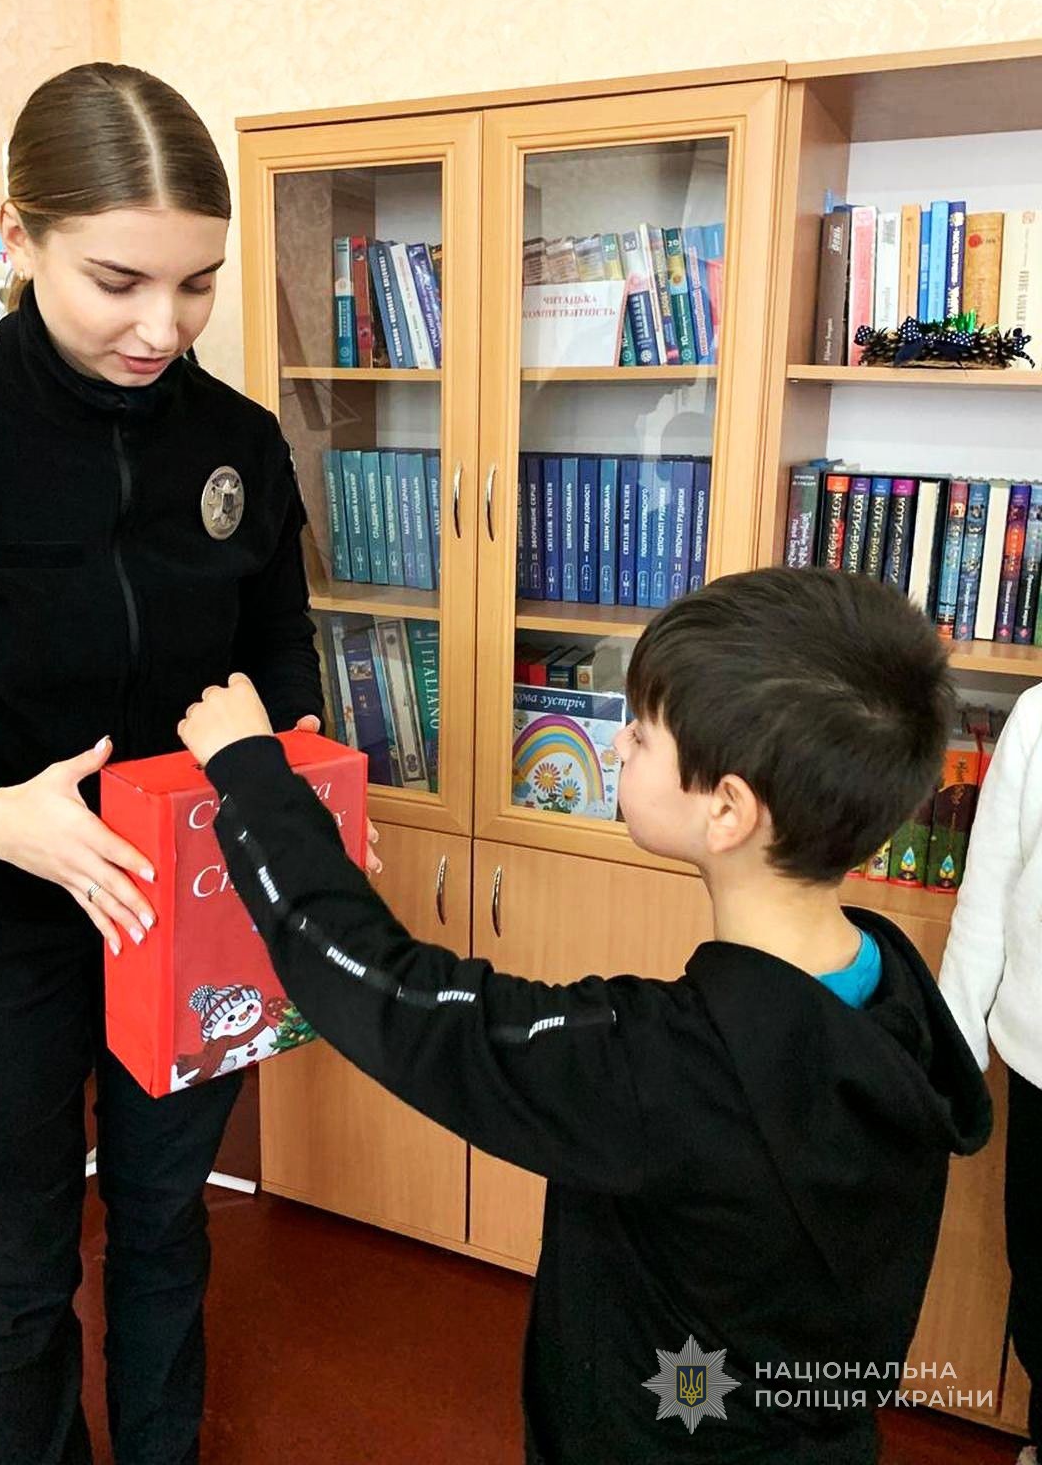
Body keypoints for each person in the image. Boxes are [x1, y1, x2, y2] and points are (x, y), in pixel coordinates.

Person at [176, 566, 992, 1465]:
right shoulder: (894, 992)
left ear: (728, 809)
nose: (620, 744)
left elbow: (401, 1003)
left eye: (641, 732)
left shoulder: (664, 1069)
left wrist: (250, 777)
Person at [0, 62, 339, 1465]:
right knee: (19, 1251)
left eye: (197, 285)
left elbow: (281, 656)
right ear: (19, 236)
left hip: (190, 912)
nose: (160, 327)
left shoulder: (237, 442)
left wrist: (284, 775)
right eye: (118, 281)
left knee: (169, 1219)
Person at [939, 683, 1042, 1465]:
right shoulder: (1036, 719)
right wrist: (954, 1042)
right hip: (1038, 1061)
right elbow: (986, 895)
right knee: (1037, 1277)